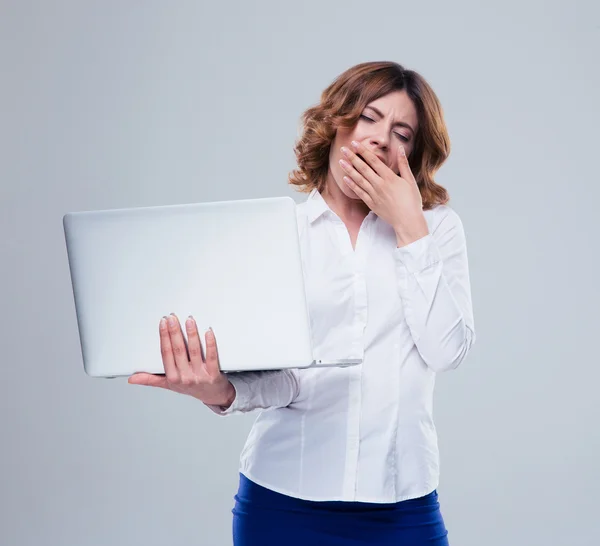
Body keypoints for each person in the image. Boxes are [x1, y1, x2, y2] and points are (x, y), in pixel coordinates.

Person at [128, 60, 476, 546]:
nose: (380, 139)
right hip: (283, 505)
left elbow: (447, 351)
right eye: (368, 118)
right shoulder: (280, 235)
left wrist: (409, 228)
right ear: (335, 125)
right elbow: (289, 378)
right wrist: (223, 392)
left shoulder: (437, 229)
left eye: (402, 132)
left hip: (404, 508)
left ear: (412, 155)